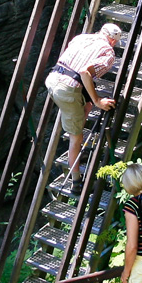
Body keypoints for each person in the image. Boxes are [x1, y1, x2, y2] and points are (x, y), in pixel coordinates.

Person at [45, 23, 122, 195]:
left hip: (53, 78)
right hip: (67, 91)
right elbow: (84, 72)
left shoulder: (81, 37)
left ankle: (81, 133)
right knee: (75, 136)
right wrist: (97, 101)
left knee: (84, 103)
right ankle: (76, 182)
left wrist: (90, 100)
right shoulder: (108, 53)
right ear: (113, 41)